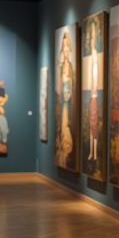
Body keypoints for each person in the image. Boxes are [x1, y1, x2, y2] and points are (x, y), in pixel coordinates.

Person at [56, 31, 74, 167]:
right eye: (64, 46)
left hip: (68, 100)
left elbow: (71, 83)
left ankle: (67, 146)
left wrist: (68, 87)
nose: (66, 49)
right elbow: (59, 86)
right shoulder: (62, 67)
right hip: (63, 100)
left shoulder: (70, 67)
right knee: (62, 123)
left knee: (66, 123)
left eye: (68, 46)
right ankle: (63, 145)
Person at [87, 21, 99, 161]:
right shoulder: (91, 55)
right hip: (91, 96)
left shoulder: (95, 54)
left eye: (93, 38)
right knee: (91, 125)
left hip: (94, 95)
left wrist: (94, 89)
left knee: (94, 125)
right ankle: (91, 152)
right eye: (90, 38)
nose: (92, 41)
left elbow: (95, 75)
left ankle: (94, 153)